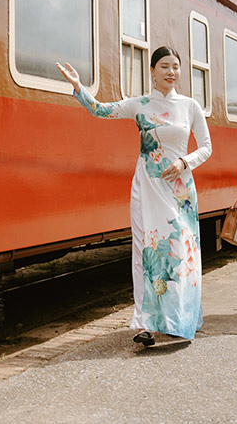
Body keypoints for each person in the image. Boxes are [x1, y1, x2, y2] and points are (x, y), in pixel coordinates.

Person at [56, 46, 212, 346]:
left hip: (179, 191)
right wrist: (79, 87)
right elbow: (101, 110)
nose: (171, 72)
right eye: (164, 66)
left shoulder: (190, 106)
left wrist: (184, 162)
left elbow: (206, 147)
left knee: (182, 253)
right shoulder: (140, 105)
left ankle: (180, 318)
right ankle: (144, 324)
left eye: (176, 67)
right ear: (152, 71)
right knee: (146, 251)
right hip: (147, 188)